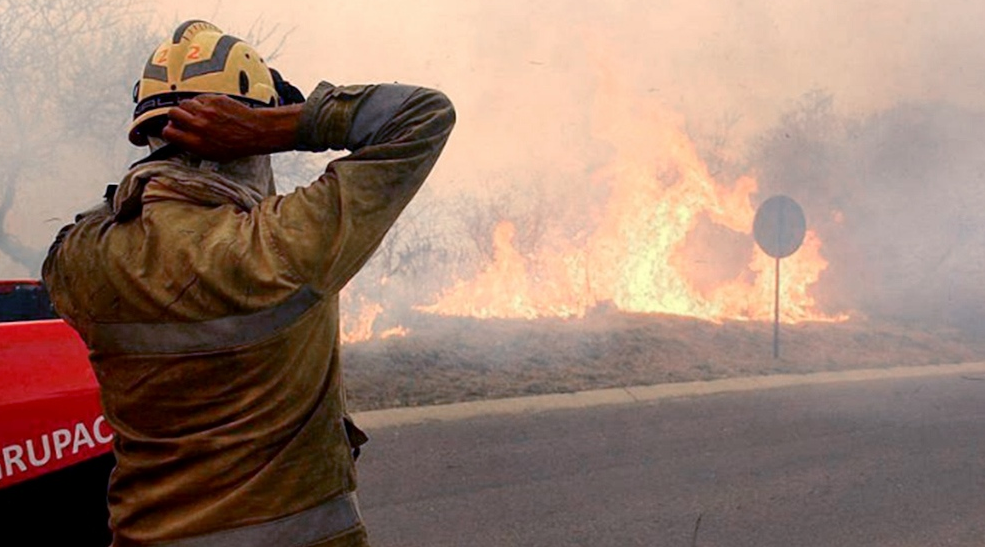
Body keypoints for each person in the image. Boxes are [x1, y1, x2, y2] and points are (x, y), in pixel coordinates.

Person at [42, 20, 455, 547]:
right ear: (240, 137)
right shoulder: (282, 244)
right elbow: (424, 114)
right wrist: (283, 127)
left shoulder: (82, 257)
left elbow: (87, 226)